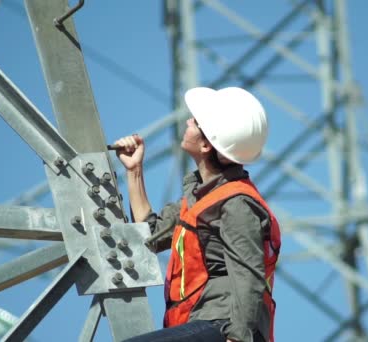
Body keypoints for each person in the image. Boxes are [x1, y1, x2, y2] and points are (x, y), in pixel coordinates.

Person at [114, 87, 281, 342]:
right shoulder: (199, 197)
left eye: (197, 122)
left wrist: (238, 338)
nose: (189, 120)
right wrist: (134, 170)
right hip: (202, 323)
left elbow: (249, 276)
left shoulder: (237, 204)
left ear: (205, 144)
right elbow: (149, 236)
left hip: (225, 328)